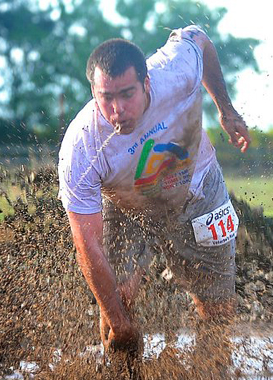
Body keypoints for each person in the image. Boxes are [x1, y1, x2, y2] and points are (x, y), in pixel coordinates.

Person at [58, 25, 250, 356]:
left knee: (217, 306)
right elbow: (86, 243)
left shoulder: (175, 70)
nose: (117, 110)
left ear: (146, 83)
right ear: (93, 92)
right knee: (120, 298)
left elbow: (199, 38)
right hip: (129, 204)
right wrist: (119, 324)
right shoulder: (82, 146)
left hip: (198, 187)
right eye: (106, 97)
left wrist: (226, 108)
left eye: (127, 94)